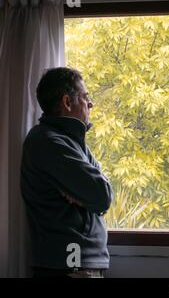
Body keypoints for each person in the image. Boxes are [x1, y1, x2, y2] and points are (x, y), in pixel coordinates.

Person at [21, 67, 113, 278]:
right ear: (67, 102)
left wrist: (87, 197)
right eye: (85, 97)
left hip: (79, 264)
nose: (90, 104)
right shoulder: (48, 143)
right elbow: (102, 196)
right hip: (72, 266)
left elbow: (100, 194)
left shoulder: (72, 143)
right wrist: (91, 199)